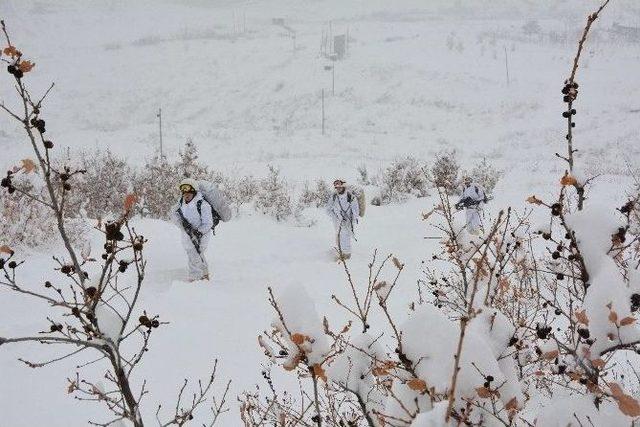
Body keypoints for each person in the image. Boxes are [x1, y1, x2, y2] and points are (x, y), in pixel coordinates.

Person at [170, 178, 214, 282]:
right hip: (187, 234)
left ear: (194, 192)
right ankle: (205, 274)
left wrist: (199, 232)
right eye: (184, 193)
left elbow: (208, 223)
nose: (186, 195)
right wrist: (182, 225)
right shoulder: (181, 203)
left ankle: (194, 280)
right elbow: (173, 213)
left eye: (189, 193)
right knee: (198, 255)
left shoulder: (202, 205)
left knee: (194, 257)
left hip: (202, 235)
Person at [326, 179, 359, 260]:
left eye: (340, 187)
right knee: (339, 237)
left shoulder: (351, 197)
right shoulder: (333, 197)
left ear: (344, 186)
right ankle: (341, 253)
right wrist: (335, 217)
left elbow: (356, 211)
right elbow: (328, 210)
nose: (338, 189)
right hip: (337, 222)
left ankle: (347, 256)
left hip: (348, 222)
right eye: (336, 188)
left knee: (346, 237)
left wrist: (351, 221)